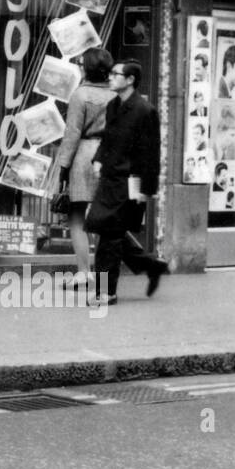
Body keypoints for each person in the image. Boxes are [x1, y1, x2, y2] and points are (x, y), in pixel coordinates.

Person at [87, 60, 168, 304]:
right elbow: (107, 139)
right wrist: (98, 159)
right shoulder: (113, 106)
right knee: (107, 229)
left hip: (129, 182)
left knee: (110, 236)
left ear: (130, 80)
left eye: (115, 74)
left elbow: (151, 153)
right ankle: (151, 266)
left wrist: (147, 189)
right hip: (109, 179)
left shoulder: (145, 111)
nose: (110, 77)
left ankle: (107, 292)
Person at [55, 46, 113, 289]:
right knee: (103, 218)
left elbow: (72, 135)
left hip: (83, 154)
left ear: (86, 69)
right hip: (107, 155)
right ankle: (102, 272)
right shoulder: (116, 95)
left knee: (76, 215)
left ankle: (83, 272)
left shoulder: (80, 95)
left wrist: (63, 167)